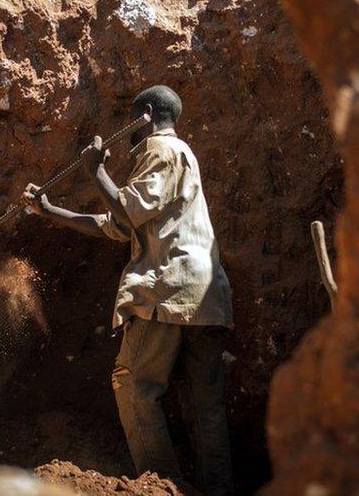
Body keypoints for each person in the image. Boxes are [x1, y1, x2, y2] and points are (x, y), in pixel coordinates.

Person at [22, 85, 234, 495]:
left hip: (169, 290)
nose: (130, 133)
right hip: (206, 295)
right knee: (205, 404)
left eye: (133, 122)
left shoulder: (160, 149)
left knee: (134, 385)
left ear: (147, 116)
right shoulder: (181, 159)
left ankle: (162, 489)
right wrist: (50, 211)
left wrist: (96, 170)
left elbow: (127, 210)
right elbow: (117, 225)